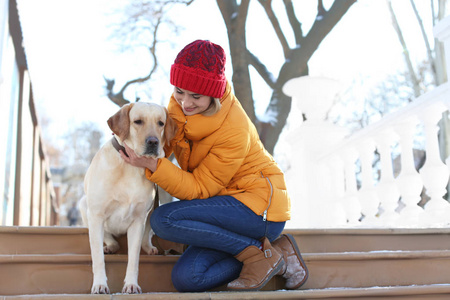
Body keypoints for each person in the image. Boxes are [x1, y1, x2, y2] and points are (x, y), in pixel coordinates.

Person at [120, 40, 308, 292]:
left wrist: (154, 166)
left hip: (259, 209)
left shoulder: (234, 129)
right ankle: (274, 254)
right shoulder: (177, 107)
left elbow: (199, 187)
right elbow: (162, 147)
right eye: (179, 91)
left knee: (164, 219)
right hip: (221, 215)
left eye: (196, 96)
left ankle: (254, 253)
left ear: (214, 94)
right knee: (189, 278)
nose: (185, 102)